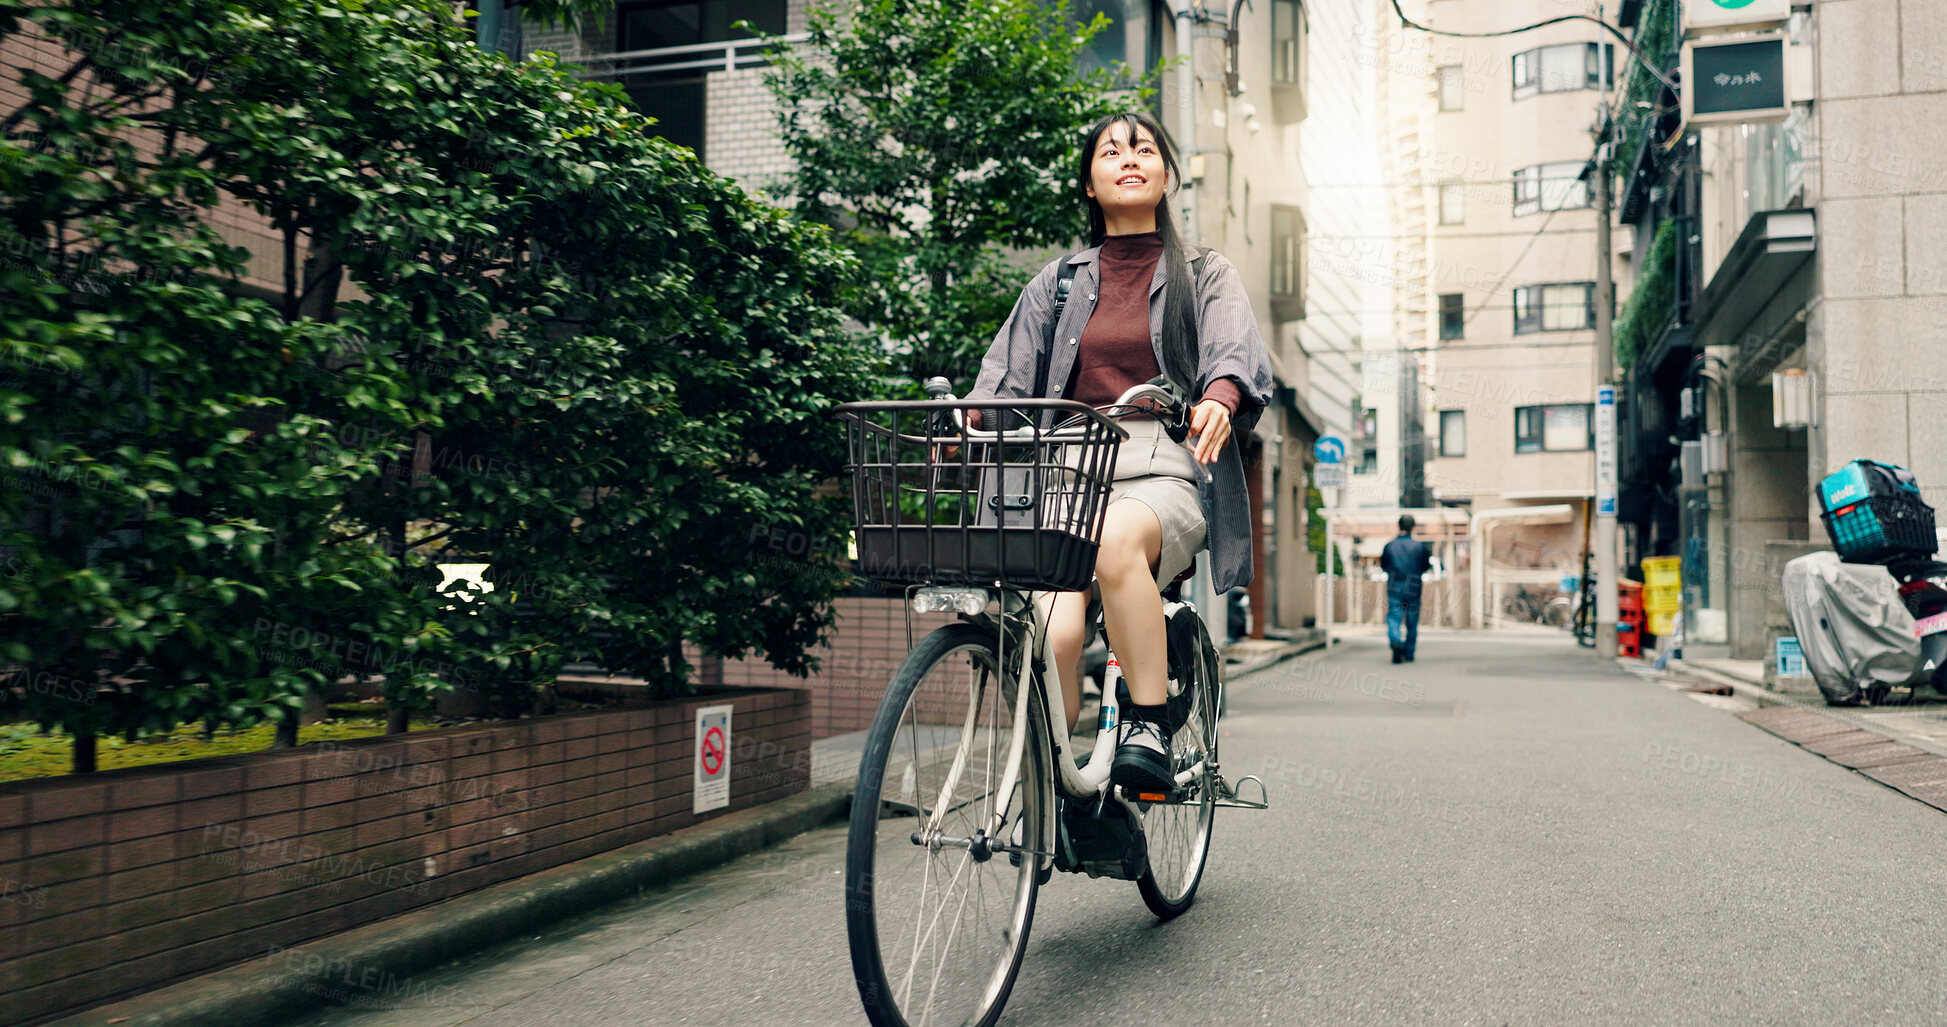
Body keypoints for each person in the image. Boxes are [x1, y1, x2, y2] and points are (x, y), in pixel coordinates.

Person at [966, 111, 1273, 793]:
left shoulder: (1204, 273)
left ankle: (1147, 719)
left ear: (1166, 174)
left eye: (1143, 149)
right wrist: (966, 418)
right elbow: (1003, 380)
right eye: (1110, 152)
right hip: (1066, 473)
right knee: (1054, 628)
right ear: (1088, 184)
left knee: (1114, 543)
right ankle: (1053, 792)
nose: (1128, 158)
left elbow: (1233, 351)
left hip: (1163, 468)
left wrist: (1219, 395)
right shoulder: (1058, 282)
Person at [1381, 514, 1433, 663]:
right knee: (1412, 620)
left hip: (1394, 586)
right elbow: (1425, 566)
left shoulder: (1390, 546)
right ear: (1413, 527)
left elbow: (1384, 565)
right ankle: (1409, 653)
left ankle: (1396, 640)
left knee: (1394, 616)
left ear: (1399, 526)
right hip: (1413, 587)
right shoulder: (1420, 546)